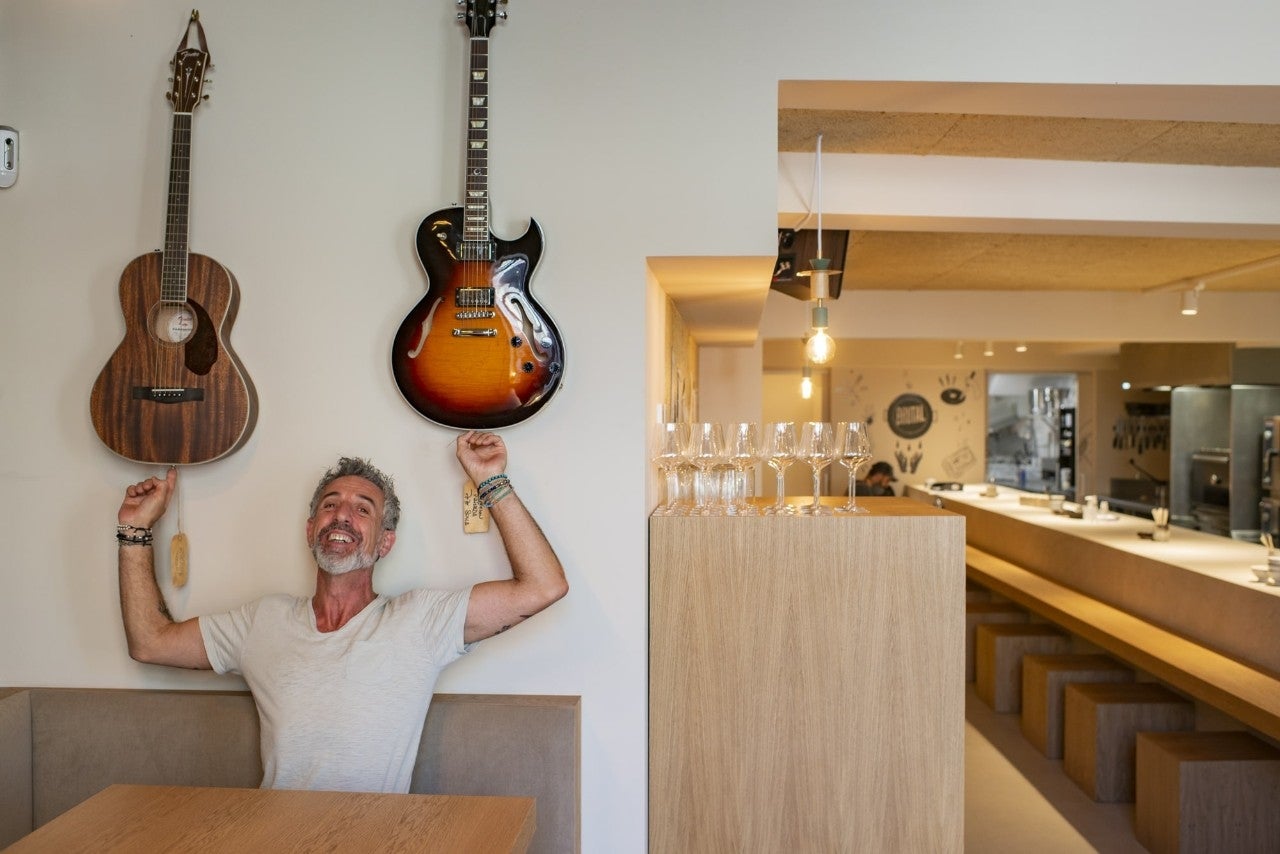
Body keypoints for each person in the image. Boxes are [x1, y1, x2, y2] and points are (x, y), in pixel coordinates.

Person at [115, 430, 567, 794]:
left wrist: (490, 480)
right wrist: (135, 529)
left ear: (385, 542)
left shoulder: (421, 620)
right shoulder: (262, 622)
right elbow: (150, 642)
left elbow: (544, 586)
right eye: (330, 505)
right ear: (311, 529)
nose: (342, 516)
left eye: (362, 509)